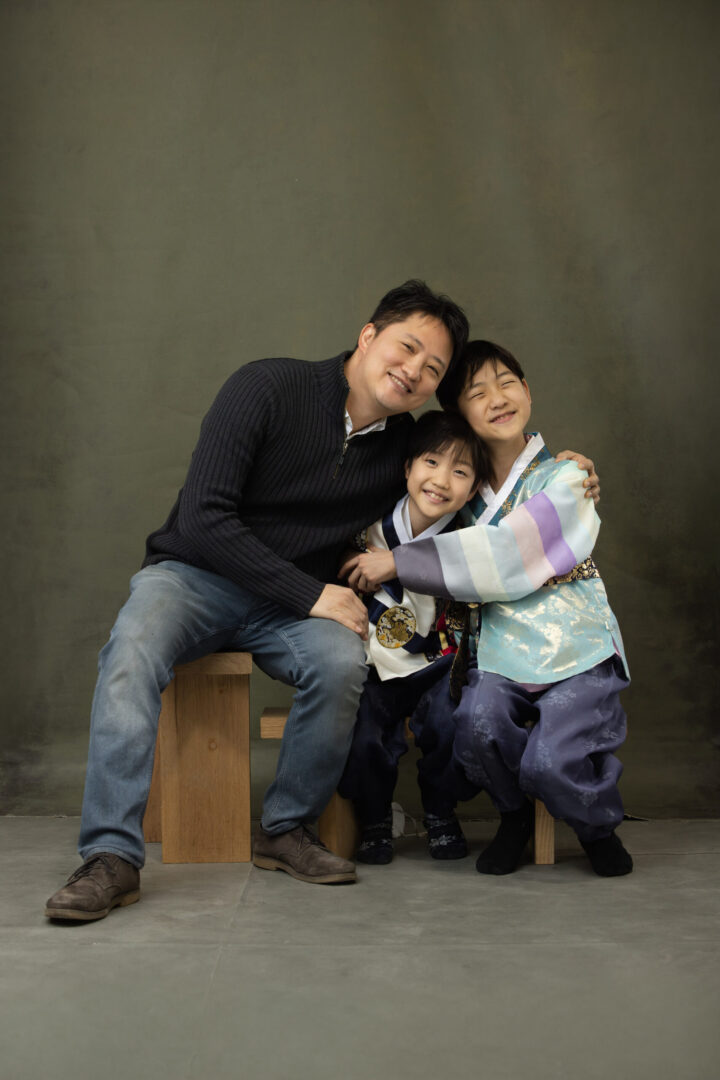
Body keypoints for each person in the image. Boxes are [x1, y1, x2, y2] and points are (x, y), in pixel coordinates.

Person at [45, 287, 599, 921]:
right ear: (368, 336)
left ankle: (286, 828)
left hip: (295, 609)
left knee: (341, 664)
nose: (413, 371)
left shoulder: (403, 446)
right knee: (133, 647)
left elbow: (461, 489)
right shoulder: (266, 388)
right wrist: (310, 592)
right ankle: (111, 857)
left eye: (433, 370)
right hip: (198, 576)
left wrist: (559, 470)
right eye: (406, 347)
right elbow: (202, 519)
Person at [344, 339, 632, 878]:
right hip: (500, 650)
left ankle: (596, 826)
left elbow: (507, 553)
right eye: (477, 393)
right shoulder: (461, 497)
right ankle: (513, 817)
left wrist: (398, 563)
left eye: (507, 383)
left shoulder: (566, 479)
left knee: (550, 758)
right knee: (475, 721)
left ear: (527, 390)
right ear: (460, 414)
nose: (497, 398)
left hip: (576, 644)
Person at [337, 410, 486, 864]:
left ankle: (440, 810)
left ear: (474, 488)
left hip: (441, 661)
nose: (441, 481)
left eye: (460, 472)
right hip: (377, 662)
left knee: (447, 721)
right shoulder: (369, 527)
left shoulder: (470, 538)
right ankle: (376, 815)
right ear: (407, 468)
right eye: (432, 463)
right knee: (360, 732)